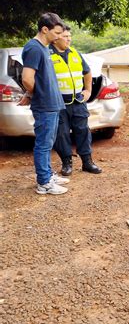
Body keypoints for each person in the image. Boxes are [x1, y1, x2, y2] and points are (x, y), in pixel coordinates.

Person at [18, 13, 70, 194]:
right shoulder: (33, 48)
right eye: (56, 33)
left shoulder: (45, 48)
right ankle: (44, 183)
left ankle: (48, 174)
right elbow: (27, 78)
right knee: (43, 144)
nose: (59, 37)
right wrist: (34, 94)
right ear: (44, 29)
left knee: (48, 142)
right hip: (45, 105)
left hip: (52, 104)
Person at [50, 26, 102, 176]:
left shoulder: (75, 54)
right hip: (59, 104)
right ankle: (67, 163)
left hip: (78, 102)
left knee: (83, 131)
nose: (69, 39)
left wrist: (88, 91)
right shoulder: (48, 55)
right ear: (56, 37)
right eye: (65, 36)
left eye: (69, 36)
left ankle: (87, 162)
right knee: (61, 134)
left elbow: (87, 72)